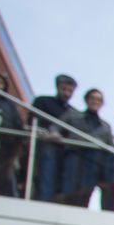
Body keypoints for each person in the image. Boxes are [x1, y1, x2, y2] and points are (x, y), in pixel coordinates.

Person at [32, 74, 78, 203]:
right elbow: (32, 122)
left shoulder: (73, 112)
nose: (67, 93)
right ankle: (43, 201)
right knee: (46, 176)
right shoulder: (42, 101)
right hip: (46, 146)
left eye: (70, 91)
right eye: (64, 89)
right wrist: (48, 134)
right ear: (57, 87)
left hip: (65, 150)